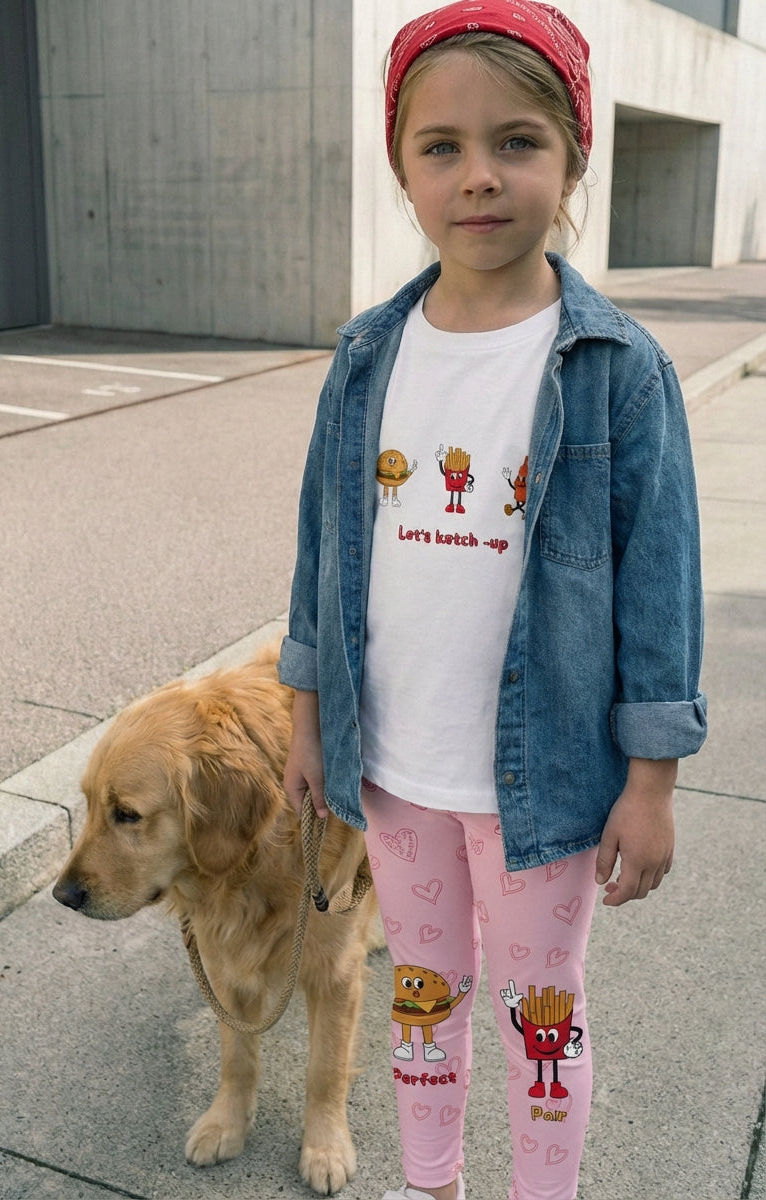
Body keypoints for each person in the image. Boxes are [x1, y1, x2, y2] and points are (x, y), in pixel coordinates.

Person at [278, 2, 707, 1197]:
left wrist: (652, 783)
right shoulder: (366, 354)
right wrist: (309, 718)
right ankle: (430, 1182)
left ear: (573, 156)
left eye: (516, 142)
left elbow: (659, 587)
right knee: (422, 998)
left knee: (540, 1018)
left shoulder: (616, 368)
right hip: (399, 770)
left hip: (549, 788)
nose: (478, 176)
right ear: (400, 166)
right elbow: (321, 549)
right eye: (441, 147)